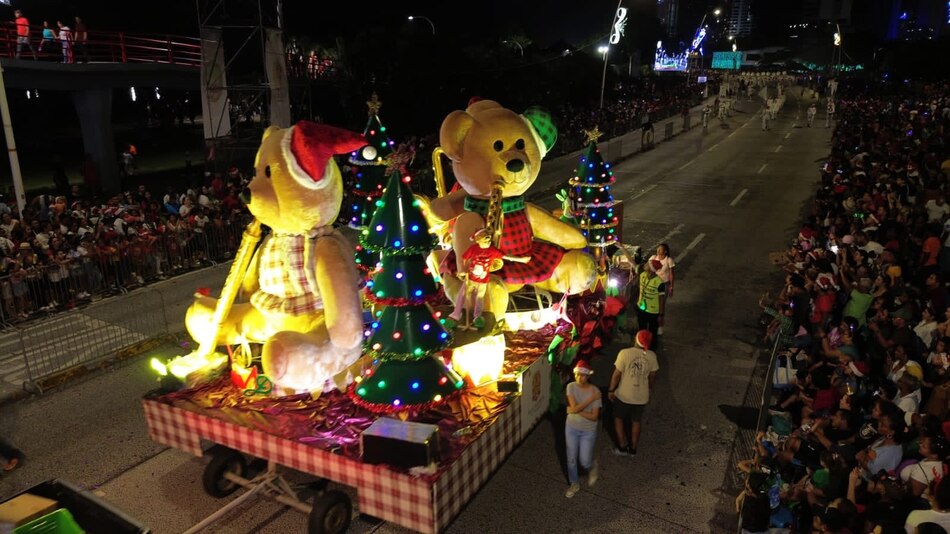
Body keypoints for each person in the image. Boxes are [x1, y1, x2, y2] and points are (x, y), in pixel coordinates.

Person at [608, 329, 659, 457]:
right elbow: (652, 377)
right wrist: (650, 389)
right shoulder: (652, 356)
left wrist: (611, 390)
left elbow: (616, 375)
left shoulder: (624, 353)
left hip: (624, 395)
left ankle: (622, 446)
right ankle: (633, 449)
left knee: (618, 418)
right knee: (636, 421)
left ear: (636, 339)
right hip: (641, 396)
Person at [447, 228, 504, 330]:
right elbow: (464, 258)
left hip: (483, 280)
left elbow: (504, 256)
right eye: (485, 240)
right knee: (462, 294)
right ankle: (456, 314)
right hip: (471, 277)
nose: (488, 242)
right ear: (478, 241)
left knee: (479, 298)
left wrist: (520, 259)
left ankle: (477, 316)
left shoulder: (492, 250)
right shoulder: (474, 249)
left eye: (489, 240)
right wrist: (463, 270)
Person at [564, 360, 601, 498]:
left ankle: (592, 465)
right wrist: (590, 400)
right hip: (571, 428)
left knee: (584, 461)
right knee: (571, 459)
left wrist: (574, 411)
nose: (579, 378)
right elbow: (574, 407)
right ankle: (574, 483)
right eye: (577, 374)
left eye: (583, 375)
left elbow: (594, 417)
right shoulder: (571, 387)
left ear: (588, 376)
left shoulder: (595, 391)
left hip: (588, 430)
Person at [636, 259, 665, 345]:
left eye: (648, 264)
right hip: (641, 308)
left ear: (651, 269)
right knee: (641, 328)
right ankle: (641, 344)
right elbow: (631, 262)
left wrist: (661, 315)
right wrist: (622, 248)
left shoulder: (660, 283)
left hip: (653, 312)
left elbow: (661, 300)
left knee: (652, 331)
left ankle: (652, 348)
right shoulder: (642, 274)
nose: (645, 265)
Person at [648, 243, 675, 335]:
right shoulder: (653, 258)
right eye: (658, 249)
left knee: (661, 306)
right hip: (654, 285)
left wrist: (671, 286)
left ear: (665, 251)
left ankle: (660, 326)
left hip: (664, 285)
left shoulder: (669, 260)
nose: (658, 251)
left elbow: (671, 274)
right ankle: (652, 323)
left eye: (661, 249)